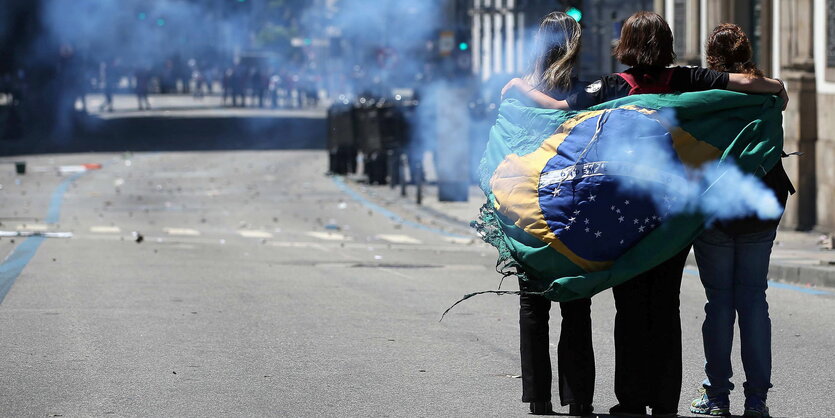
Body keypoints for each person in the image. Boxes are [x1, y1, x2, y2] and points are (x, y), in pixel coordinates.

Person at [503, 11, 788, 417]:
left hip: (627, 216)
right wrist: (778, 87)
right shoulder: (688, 79)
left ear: (626, 46)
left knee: (632, 307)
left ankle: (633, 399)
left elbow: (558, 108)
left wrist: (518, 88)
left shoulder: (613, 86)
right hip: (672, 214)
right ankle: (666, 400)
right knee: (666, 307)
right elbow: (743, 83)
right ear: (667, 43)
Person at [688, 23, 794, 418]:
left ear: (711, 57)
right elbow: (777, 90)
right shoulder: (771, 95)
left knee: (719, 303)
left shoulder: (702, 96)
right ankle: (757, 400)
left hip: (716, 207)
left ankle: (716, 397)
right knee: (753, 301)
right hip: (759, 206)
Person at [505, 11, 595, 416]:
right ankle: (578, 399)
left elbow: (499, 147)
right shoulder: (585, 92)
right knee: (576, 303)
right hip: (570, 206)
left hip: (523, 205)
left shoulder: (516, 90)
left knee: (532, 303)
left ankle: (538, 397)